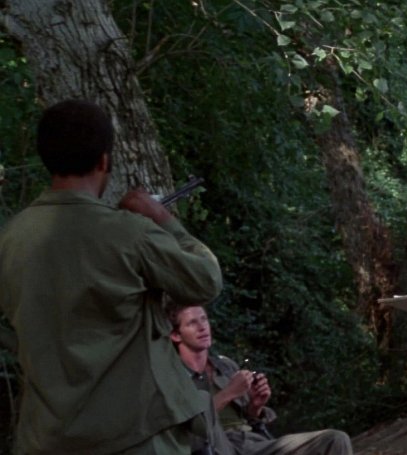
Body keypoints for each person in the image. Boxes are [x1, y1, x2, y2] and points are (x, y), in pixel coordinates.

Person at [0, 100, 223, 454]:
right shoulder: (128, 233)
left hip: (45, 439)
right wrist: (162, 219)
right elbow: (206, 280)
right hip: (135, 436)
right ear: (104, 160)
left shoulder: (10, 239)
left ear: (46, 158)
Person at [170, 303, 354, 455]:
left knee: (335, 439)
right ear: (176, 335)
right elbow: (184, 430)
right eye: (192, 323)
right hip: (215, 446)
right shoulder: (172, 377)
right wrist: (229, 393)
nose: (202, 327)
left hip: (251, 443)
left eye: (204, 319)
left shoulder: (226, 366)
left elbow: (251, 421)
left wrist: (255, 406)